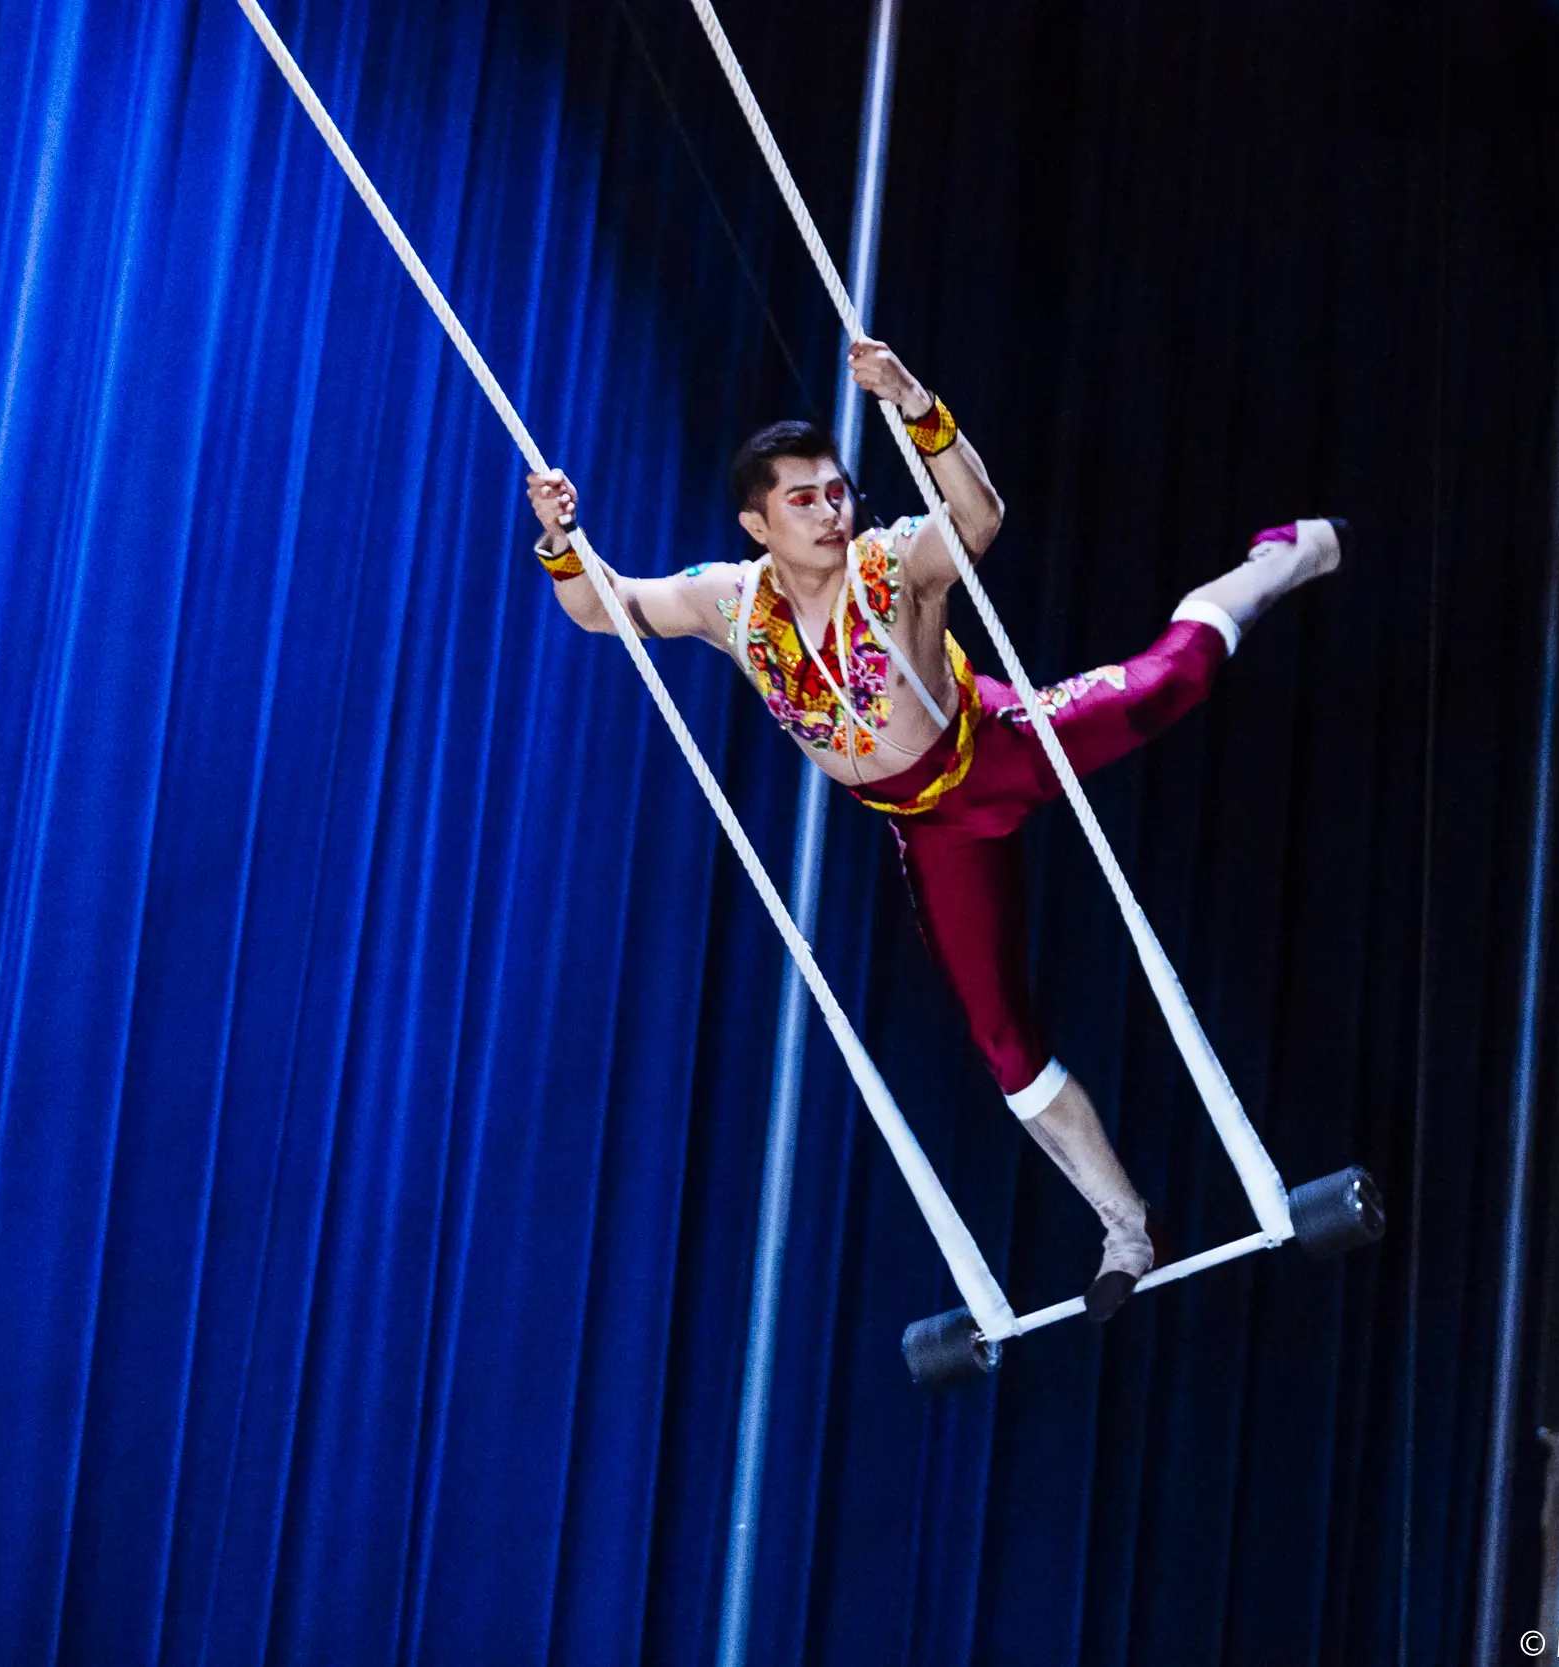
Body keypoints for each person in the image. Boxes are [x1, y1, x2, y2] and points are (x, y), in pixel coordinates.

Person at [523, 337, 1342, 1322]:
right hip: (929, 826)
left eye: (837, 491)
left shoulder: (889, 564)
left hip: (997, 745)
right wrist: (563, 538)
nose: (830, 511)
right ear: (756, 522)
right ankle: (1127, 1225)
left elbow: (978, 517)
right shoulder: (729, 602)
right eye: (802, 500)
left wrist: (914, 402)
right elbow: (602, 607)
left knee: (1170, 681)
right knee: (1001, 1039)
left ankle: (1273, 562)